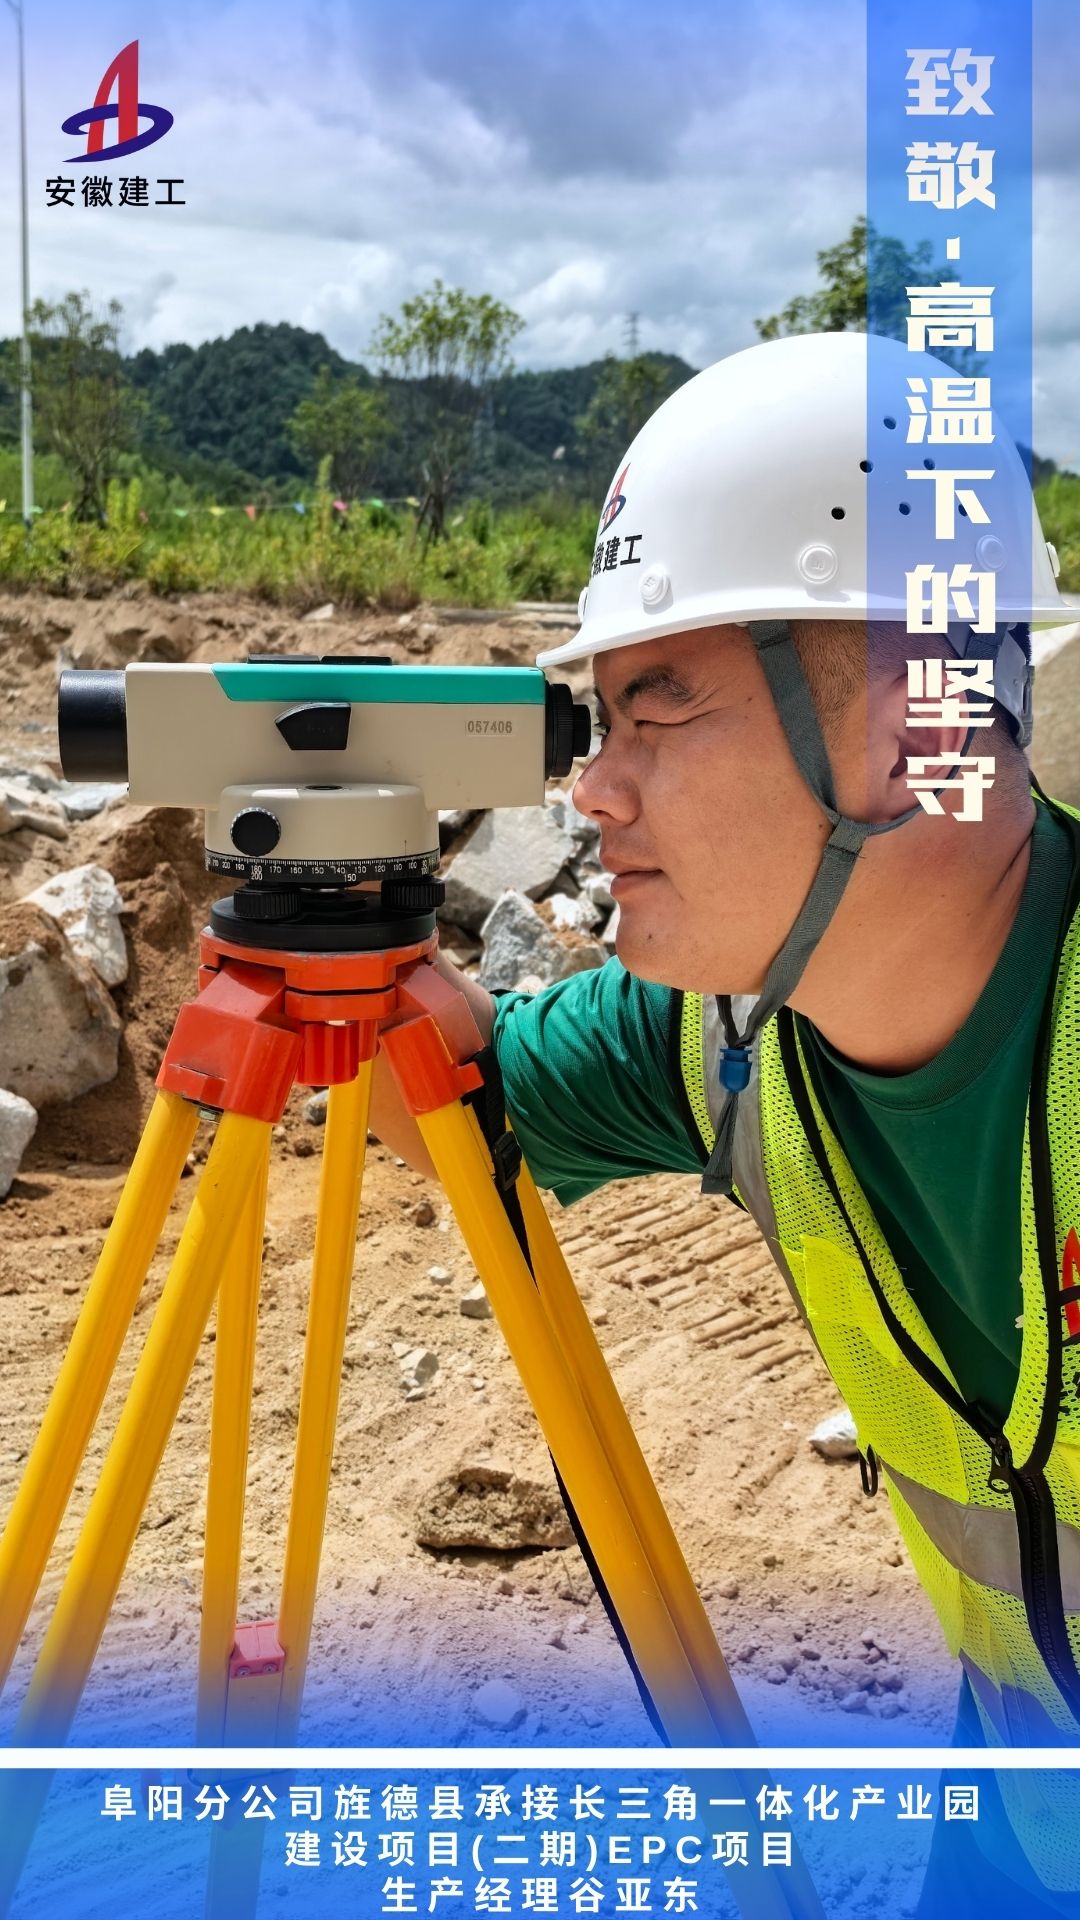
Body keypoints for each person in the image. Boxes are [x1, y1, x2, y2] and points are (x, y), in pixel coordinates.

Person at [370, 329, 1080, 1915]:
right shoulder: (726, 1035)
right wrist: (329, 943)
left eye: (659, 709)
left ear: (918, 727)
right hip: (1016, 1814)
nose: (592, 792)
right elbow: (461, 1114)